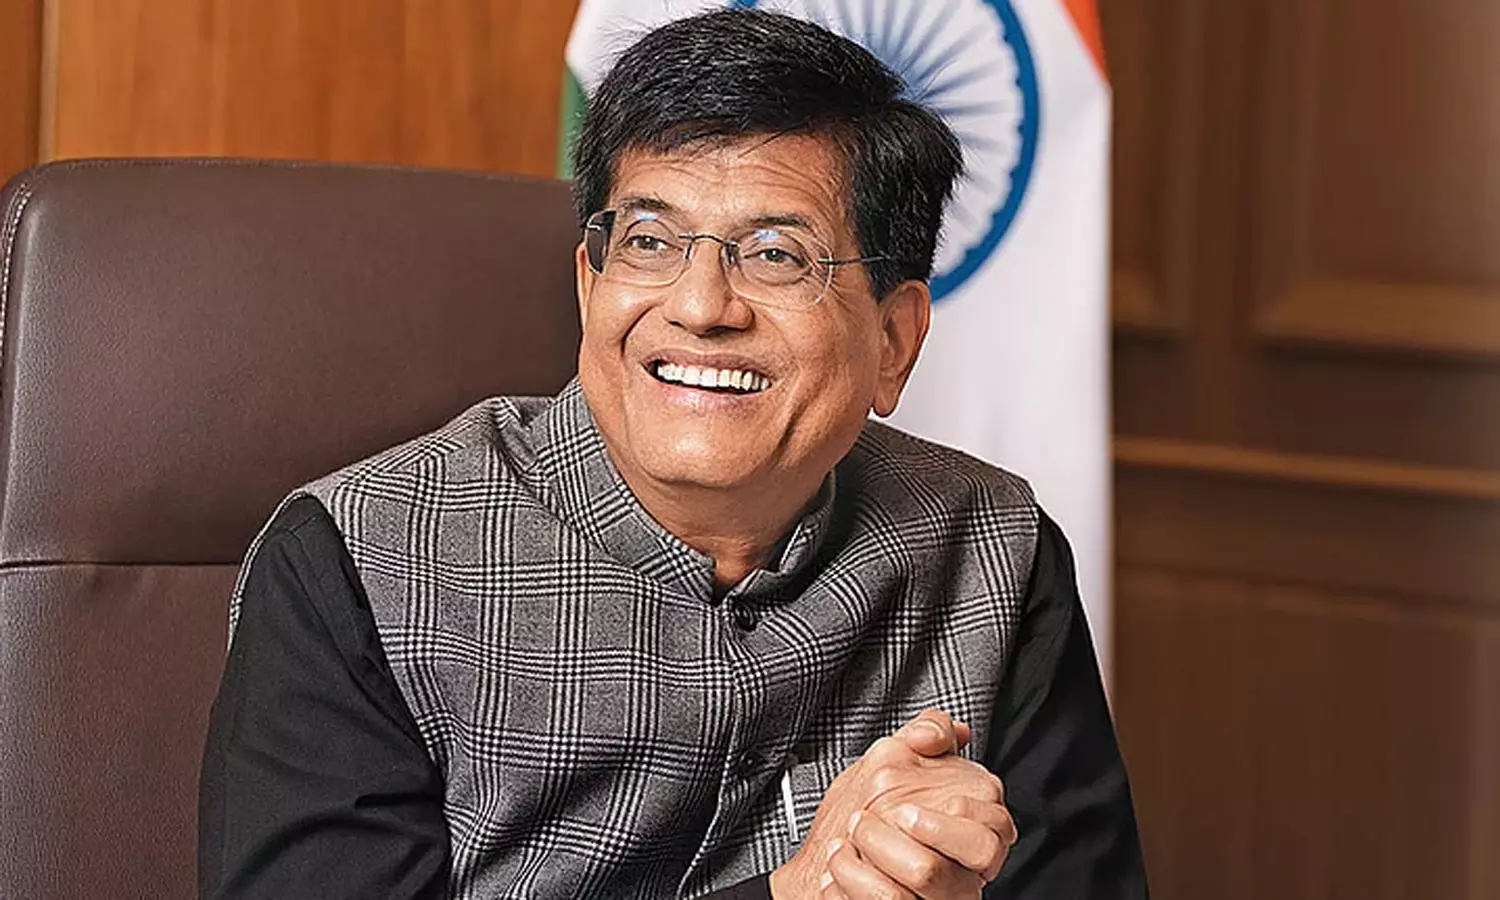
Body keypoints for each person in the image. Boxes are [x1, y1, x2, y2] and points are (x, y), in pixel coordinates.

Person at [198, 9, 1146, 899]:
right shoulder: (359, 557)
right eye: (650, 242)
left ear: (894, 341)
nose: (699, 307)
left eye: (776, 255)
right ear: (590, 286)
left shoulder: (994, 548)